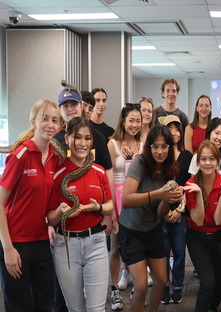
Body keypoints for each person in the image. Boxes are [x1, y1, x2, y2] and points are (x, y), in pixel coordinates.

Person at [54, 84, 115, 311]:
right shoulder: (55, 142)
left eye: (74, 104)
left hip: (95, 237)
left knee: (96, 307)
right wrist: (54, 220)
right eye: (65, 105)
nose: (82, 143)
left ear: (82, 106)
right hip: (64, 239)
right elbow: (49, 198)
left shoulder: (97, 139)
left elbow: (106, 181)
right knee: (71, 305)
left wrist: (106, 213)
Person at [0, 99, 60, 312]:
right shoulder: (21, 155)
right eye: (45, 119)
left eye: (54, 120)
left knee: (45, 303)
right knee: (19, 305)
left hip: (41, 241)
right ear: (33, 122)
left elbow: (46, 203)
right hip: (16, 242)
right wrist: (8, 249)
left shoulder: (54, 157)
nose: (50, 125)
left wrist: (55, 220)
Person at [120, 124, 183, 312]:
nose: (160, 151)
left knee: (162, 281)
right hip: (132, 231)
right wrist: (159, 194)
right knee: (140, 287)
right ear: (149, 147)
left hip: (153, 230)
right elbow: (126, 200)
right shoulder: (139, 164)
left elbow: (160, 213)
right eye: (155, 146)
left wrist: (168, 199)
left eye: (164, 146)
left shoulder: (169, 169)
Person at [183, 140, 221, 312]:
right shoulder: (191, 184)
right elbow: (198, 220)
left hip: (218, 236)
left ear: (217, 161)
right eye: (204, 159)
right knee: (208, 282)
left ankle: (210, 307)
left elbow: (218, 220)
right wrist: (199, 194)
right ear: (198, 161)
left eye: (212, 159)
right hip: (196, 237)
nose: (208, 163)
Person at [107, 103, 143, 310]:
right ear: (123, 121)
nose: (135, 125)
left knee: (135, 246)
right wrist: (112, 210)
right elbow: (108, 178)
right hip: (117, 197)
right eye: (131, 120)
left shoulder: (143, 145)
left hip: (135, 198)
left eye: (138, 121)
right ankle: (114, 292)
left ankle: (135, 290)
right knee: (115, 247)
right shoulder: (113, 144)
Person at [160, 115, 193, 304]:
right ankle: (164, 285)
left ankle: (178, 286)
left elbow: (189, 185)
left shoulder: (188, 156)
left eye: (177, 128)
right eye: (169, 129)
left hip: (182, 212)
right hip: (162, 212)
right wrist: (164, 211)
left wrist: (180, 211)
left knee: (180, 251)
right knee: (163, 251)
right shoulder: (161, 155)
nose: (174, 132)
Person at [189, 118, 221, 183]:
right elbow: (193, 185)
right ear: (209, 133)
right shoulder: (196, 157)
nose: (219, 138)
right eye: (217, 133)